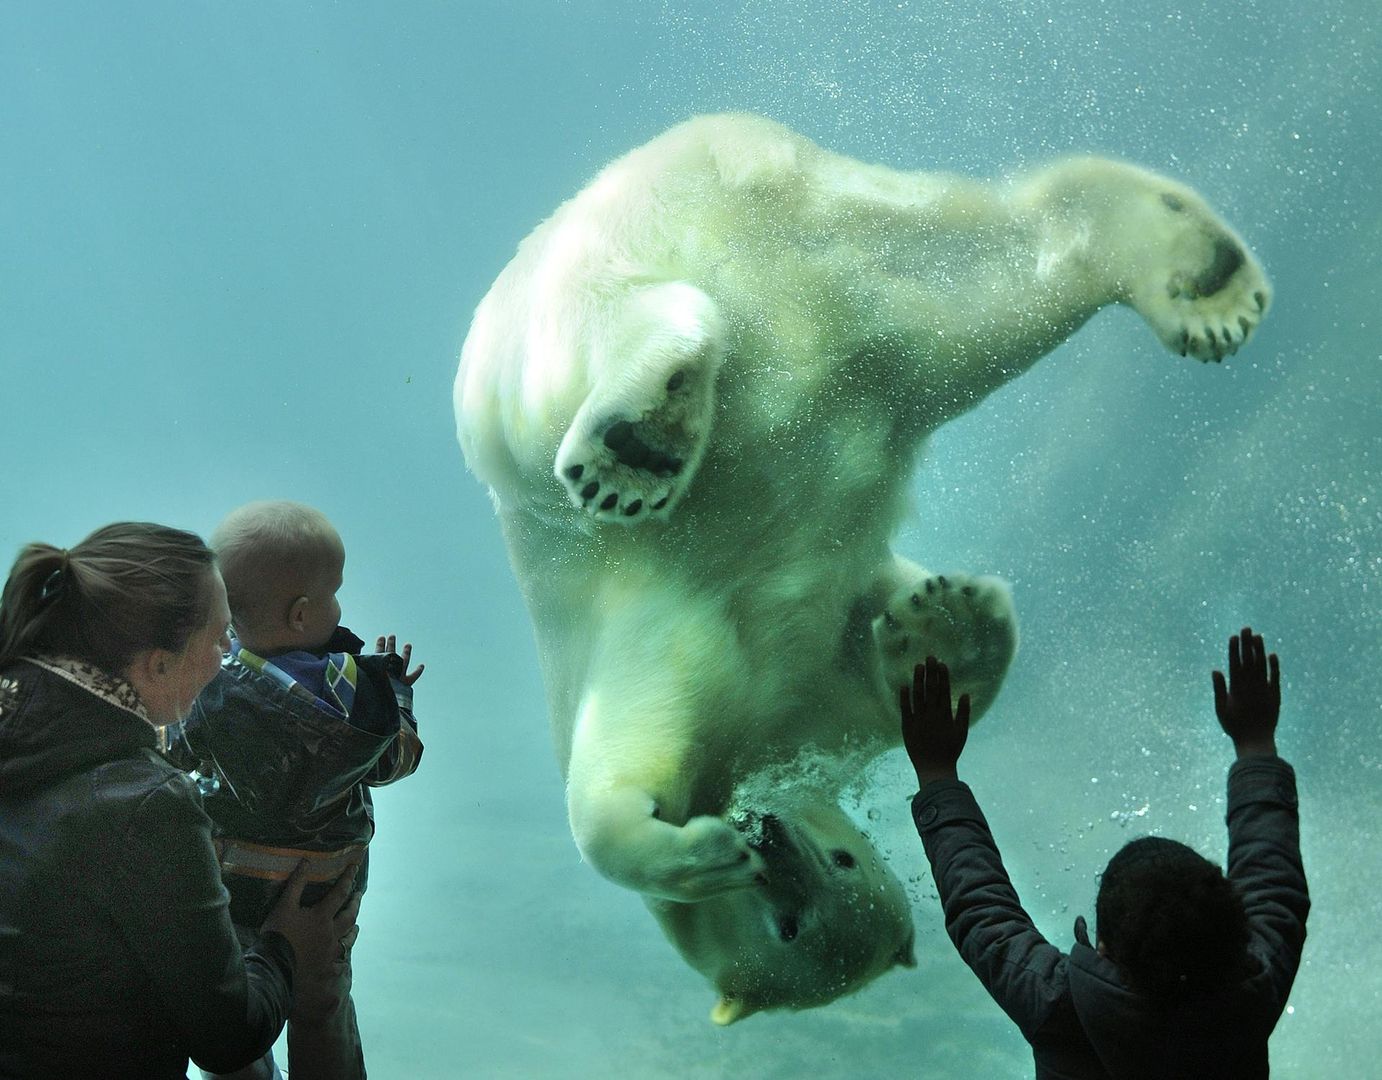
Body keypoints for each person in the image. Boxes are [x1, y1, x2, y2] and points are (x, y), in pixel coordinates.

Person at [0, 522, 361, 1080]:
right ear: (157, 664)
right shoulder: (145, 805)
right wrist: (284, 946)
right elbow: (228, 1037)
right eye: (221, 638)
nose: (229, 655)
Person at [901, 629, 1309, 1079]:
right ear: (1236, 929)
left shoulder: (1060, 1006)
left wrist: (937, 772)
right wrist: (1256, 746)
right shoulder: (1253, 995)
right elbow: (1275, 879)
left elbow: (979, 905)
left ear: (1104, 947)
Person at [164, 501, 424, 1080]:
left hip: (230, 886)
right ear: (303, 616)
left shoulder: (208, 683)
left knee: (239, 1009)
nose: (340, 603)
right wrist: (399, 701)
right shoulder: (352, 689)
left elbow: (171, 750)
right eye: (334, 590)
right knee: (322, 1004)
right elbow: (394, 763)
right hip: (326, 894)